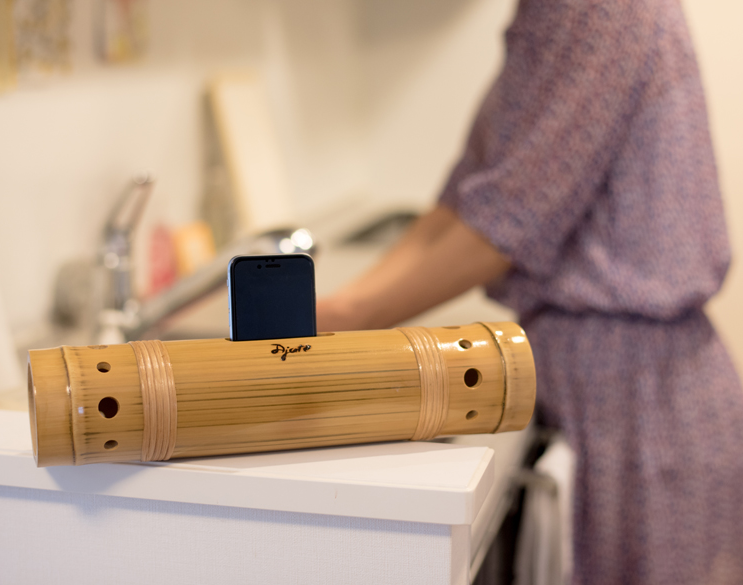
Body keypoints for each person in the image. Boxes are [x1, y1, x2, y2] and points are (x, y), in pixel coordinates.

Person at [317, 0, 743, 583]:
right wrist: (336, 311)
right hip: (611, 390)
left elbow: (505, 223)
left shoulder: (596, 7)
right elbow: (463, 205)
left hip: (642, 404)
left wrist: (343, 318)